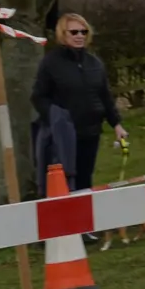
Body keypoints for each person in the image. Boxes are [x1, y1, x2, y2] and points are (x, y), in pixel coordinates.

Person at [30, 13, 126, 193]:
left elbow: (105, 95)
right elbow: (38, 97)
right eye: (74, 32)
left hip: (91, 132)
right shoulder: (51, 62)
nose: (80, 36)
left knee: (84, 179)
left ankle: (84, 209)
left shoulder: (94, 63)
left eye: (84, 32)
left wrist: (116, 124)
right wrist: (56, 118)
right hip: (63, 135)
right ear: (63, 34)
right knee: (64, 181)